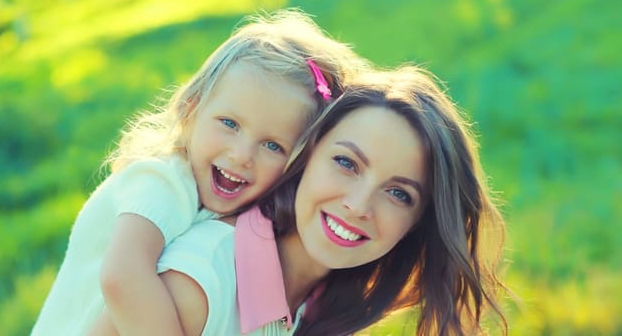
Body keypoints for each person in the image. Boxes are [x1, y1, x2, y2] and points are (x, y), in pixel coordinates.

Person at [30, 9, 369, 336]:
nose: (241, 155)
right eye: (229, 124)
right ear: (192, 108)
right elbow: (123, 276)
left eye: (272, 146)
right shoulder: (163, 180)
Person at [151, 67, 510, 335]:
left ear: (418, 222)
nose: (358, 205)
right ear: (306, 153)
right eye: (346, 163)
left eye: (399, 194)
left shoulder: (324, 302)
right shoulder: (202, 280)